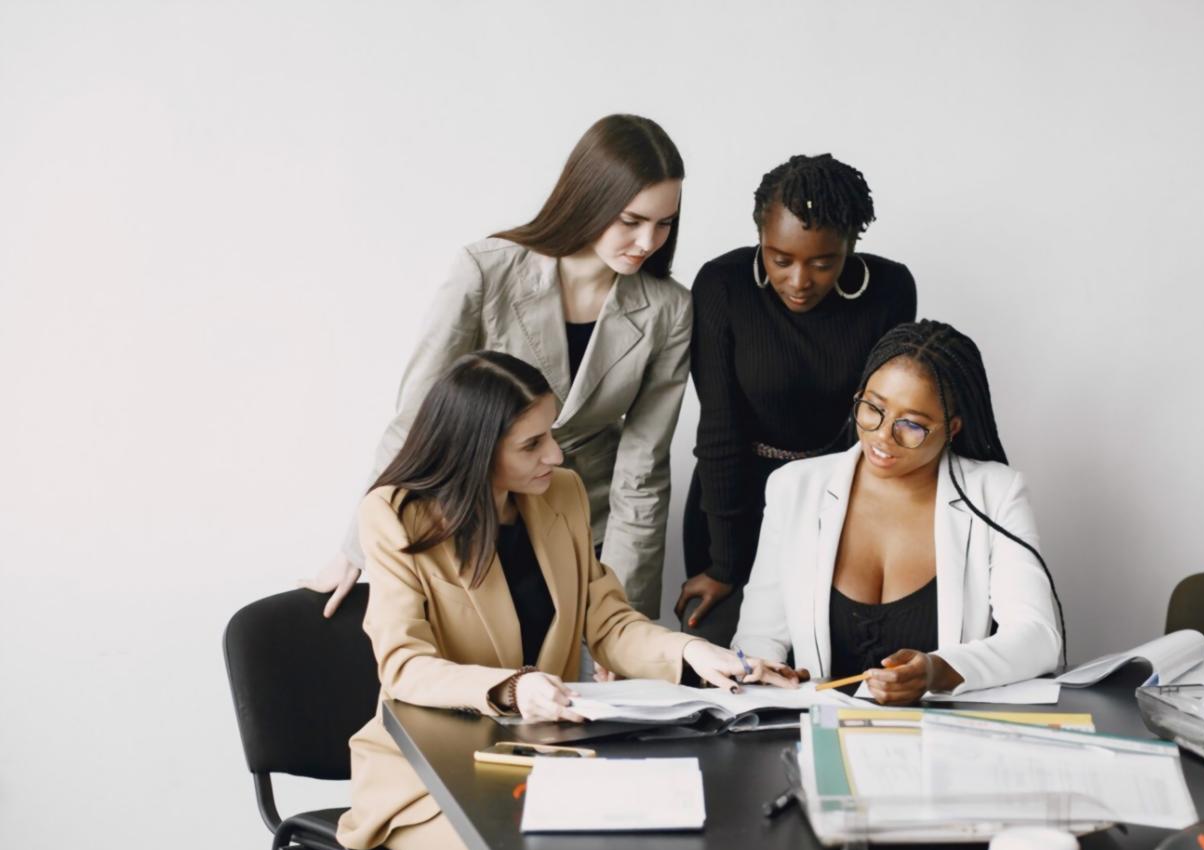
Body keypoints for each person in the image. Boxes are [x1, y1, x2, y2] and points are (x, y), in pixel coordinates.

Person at [336, 351, 794, 850]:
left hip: (541, 768)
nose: (554, 454)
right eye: (531, 444)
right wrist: (511, 686)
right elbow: (404, 664)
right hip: (425, 781)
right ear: (475, 449)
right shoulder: (395, 514)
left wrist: (694, 654)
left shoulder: (562, 495)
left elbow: (608, 621)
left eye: (551, 433)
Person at [306, 113, 693, 620]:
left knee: (592, 665)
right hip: (474, 516)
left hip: (587, 526)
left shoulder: (670, 308)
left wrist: (623, 611)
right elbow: (418, 417)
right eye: (631, 221)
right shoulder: (486, 271)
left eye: (664, 223)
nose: (647, 242)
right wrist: (358, 547)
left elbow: (643, 468)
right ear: (590, 198)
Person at [731, 321, 1066, 703]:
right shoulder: (795, 487)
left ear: (952, 428)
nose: (882, 436)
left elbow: (1038, 637)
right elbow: (757, 638)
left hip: (940, 730)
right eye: (873, 408)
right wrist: (767, 671)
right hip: (818, 723)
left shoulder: (996, 493)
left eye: (911, 425)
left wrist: (937, 671)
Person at [675, 154, 917, 647]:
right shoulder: (723, 285)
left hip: (839, 500)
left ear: (850, 246)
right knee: (726, 654)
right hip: (733, 503)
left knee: (834, 657)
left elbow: (880, 424)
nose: (800, 281)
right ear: (760, 239)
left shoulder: (890, 291)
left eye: (823, 263)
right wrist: (723, 566)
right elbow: (719, 429)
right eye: (780, 259)